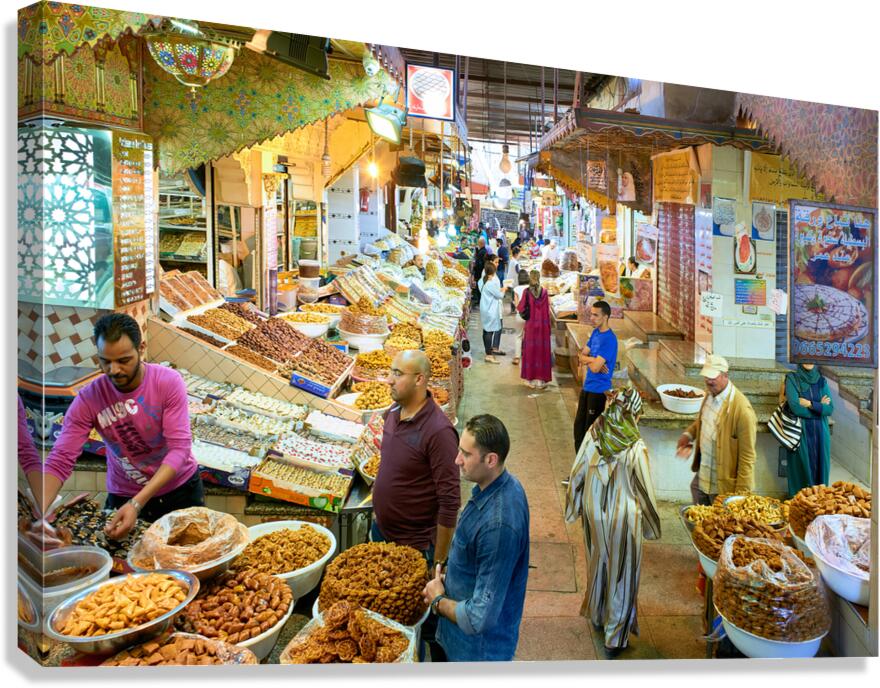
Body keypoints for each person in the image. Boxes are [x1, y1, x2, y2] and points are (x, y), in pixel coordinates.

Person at [24, 314, 204, 538]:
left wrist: (137, 504)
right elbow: (61, 458)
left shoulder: (167, 382)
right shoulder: (89, 398)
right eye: (105, 361)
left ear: (141, 348)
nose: (114, 370)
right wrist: (41, 510)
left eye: (124, 360)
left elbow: (180, 450)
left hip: (179, 490)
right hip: (124, 493)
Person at [373, 350, 460, 660]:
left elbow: (450, 500)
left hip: (415, 547)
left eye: (398, 373)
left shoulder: (438, 431)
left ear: (420, 379)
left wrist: (437, 561)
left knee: (417, 623)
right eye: (390, 371)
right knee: (386, 617)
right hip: (383, 535)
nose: (389, 379)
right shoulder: (393, 414)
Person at [422, 414, 529, 662]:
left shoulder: (498, 525)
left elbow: (479, 617)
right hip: (459, 640)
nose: (456, 460)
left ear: (491, 459)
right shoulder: (504, 485)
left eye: (466, 454)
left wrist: (438, 600)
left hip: (476, 652)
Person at [564, 387, 660, 657]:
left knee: (598, 564)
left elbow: (577, 470)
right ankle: (614, 636)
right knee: (623, 574)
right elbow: (645, 490)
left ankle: (597, 614)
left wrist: (573, 507)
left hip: (594, 513)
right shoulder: (635, 446)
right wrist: (652, 528)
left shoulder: (595, 433)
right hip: (623, 519)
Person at [675, 354, 757, 504]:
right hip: (703, 476)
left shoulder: (742, 411)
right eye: (706, 376)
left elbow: (748, 457)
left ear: (725, 375)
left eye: (712, 377)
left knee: (719, 525)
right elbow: (702, 421)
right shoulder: (710, 395)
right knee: (700, 523)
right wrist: (688, 435)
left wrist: (741, 496)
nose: (708, 380)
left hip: (722, 485)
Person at [573, 301, 618, 452]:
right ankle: (578, 471)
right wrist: (593, 358)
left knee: (590, 435)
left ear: (605, 317)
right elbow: (581, 355)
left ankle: (587, 473)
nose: (591, 318)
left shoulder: (610, 340)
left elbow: (595, 367)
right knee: (578, 430)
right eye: (591, 314)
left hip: (599, 392)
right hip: (587, 388)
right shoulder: (595, 333)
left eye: (595, 315)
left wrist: (591, 361)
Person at [783, 363, 833, 497]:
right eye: (804, 357)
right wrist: (819, 408)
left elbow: (829, 409)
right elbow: (795, 407)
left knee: (821, 470)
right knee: (801, 471)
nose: (808, 360)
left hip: (821, 433)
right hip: (801, 432)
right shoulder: (792, 379)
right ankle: (798, 507)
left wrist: (810, 404)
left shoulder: (822, 381)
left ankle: (819, 507)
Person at [517, 269, 553, 389]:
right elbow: (547, 311)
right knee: (542, 352)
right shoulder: (545, 292)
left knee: (530, 352)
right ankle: (541, 381)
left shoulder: (526, 292)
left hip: (531, 326)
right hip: (543, 327)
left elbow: (521, 308)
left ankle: (530, 379)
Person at [478, 262, 507, 363]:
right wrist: (505, 289)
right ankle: (489, 355)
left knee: (486, 330)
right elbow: (500, 296)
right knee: (489, 331)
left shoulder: (483, 281)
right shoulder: (490, 283)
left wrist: (500, 290)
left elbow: (495, 292)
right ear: (494, 272)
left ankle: (488, 353)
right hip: (490, 310)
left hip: (485, 309)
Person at [471, 236, 488, 305]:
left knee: (479, 287)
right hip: (482, 272)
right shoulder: (483, 251)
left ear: (480, 243)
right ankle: (479, 300)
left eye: (478, 243)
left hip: (480, 273)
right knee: (480, 286)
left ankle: (480, 301)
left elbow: (479, 264)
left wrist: (474, 268)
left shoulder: (482, 252)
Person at [508, 246, 523, 314]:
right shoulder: (515, 262)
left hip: (511, 280)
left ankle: (513, 309)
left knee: (513, 295)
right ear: (516, 254)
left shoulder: (512, 260)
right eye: (519, 253)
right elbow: (518, 272)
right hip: (514, 281)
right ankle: (513, 310)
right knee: (514, 296)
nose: (520, 255)